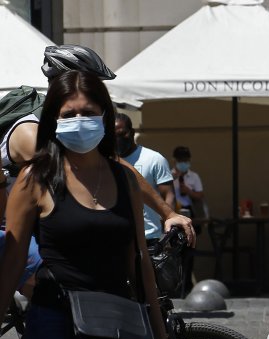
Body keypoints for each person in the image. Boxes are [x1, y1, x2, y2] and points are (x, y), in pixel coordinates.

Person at [0, 69, 183, 339]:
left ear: (105, 115)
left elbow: (139, 263)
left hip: (115, 329)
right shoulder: (35, 179)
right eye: (68, 113)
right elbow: (9, 266)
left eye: (89, 112)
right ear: (51, 119)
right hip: (55, 327)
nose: (79, 120)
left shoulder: (122, 178)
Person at [1, 44, 194, 244]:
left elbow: (113, 165)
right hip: (13, 235)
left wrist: (168, 213)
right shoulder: (30, 131)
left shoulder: (59, 123)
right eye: (89, 84)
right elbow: (105, 168)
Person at [114, 113, 176, 244]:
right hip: (119, 237)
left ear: (131, 132)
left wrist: (168, 232)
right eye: (114, 136)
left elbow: (169, 195)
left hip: (150, 237)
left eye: (122, 134)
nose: (118, 139)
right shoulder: (106, 161)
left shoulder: (154, 159)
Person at [171, 145, 205, 294]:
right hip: (175, 213)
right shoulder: (169, 175)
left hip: (190, 212)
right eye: (180, 160)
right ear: (175, 160)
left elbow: (200, 195)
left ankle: (187, 284)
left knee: (189, 251)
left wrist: (188, 191)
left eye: (185, 160)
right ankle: (176, 284)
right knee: (175, 252)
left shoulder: (194, 177)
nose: (183, 163)